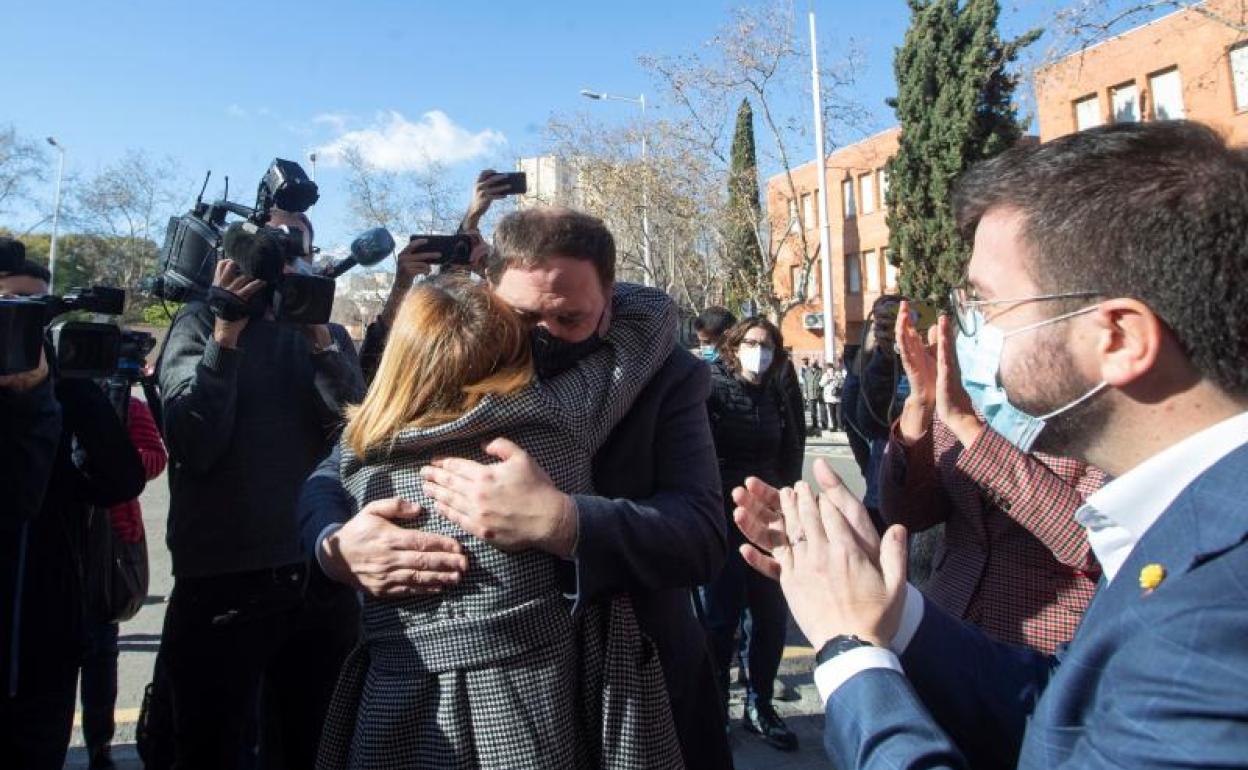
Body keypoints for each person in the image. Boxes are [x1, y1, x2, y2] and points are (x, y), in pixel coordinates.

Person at [733, 120, 1248, 769]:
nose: (973, 328)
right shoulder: (1195, 527)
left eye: (990, 304)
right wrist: (891, 613)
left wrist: (851, 652)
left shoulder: (1219, 616)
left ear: (1118, 337)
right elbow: (1061, 714)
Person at [300, 206, 733, 769]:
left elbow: (700, 533)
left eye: (571, 319)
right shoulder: (457, 350)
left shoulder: (666, 375)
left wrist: (566, 523)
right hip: (450, 694)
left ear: (609, 304)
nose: (544, 337)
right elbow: (338, 465)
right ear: (489, 296)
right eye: (523, 318)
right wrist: (335, 546)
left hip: (635, 686)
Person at [156, 217, 365, 768]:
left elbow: (359, 435)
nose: (279, 284)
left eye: (295, 264)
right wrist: (225, 339)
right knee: (210, 744)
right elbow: (193, 441)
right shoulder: (198, 324)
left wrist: (319, 339)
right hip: (225, 580)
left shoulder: (326, 335)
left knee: (314, 741)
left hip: (318, 576)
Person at [882, 300, 1105, 653]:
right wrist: (920, 404)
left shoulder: (1096, 403)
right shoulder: (971, 389)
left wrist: (969, 430)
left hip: (1044, 644)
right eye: (969, 300)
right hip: (947, 619)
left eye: (987, 298)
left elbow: (1091, 541)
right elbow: (909, 513)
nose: (975, 316)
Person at [0, 255, 146, 769]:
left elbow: (121, 480)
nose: (25, 325)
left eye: (38, 312)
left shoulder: (56, 388)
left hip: (50, 632)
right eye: (11, 307)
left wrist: (71, 388)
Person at [701, 318, 804, 751]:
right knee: (720, 618)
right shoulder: (711, 388)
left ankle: (760, 705)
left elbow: (792, 448)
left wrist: (789, 506)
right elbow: (697, 453)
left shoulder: (779, 392)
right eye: (751, 343)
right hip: (724, 518)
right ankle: (716, 709)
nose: (758, 352)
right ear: (733, 345)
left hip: (768, 520)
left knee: (770, 617)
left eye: (766, 345)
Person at [80, 395, 167, 769]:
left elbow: (154, 457)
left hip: (109, 543)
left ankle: (100, 746)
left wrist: (116, 456)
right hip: (51, 541)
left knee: (101, 651)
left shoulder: (123, 405)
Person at [800, 357, 824, 433]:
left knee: (822, 409)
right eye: (812, 362)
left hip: (819, 392)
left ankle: (824, 424)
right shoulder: (807, 371)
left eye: (815, 362)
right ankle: (815, 424)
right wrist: (805, 392)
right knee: (813, 410)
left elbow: (823, 380)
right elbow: (805, 383)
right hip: (810, 393)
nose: (813, 363)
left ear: (817, 363)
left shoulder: (820, 370)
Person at [820, 360, 844, 433]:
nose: (830, 370)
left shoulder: (838, 374)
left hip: (837, 397)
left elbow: (842, 382)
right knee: (832, 413)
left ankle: (840, 426)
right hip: (829, 398)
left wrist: (836, 381)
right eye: (828, 368)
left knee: (839, 413)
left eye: (831, 368)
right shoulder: (825, 375)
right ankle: (834, 426)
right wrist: (827, 380)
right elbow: (821, 384)